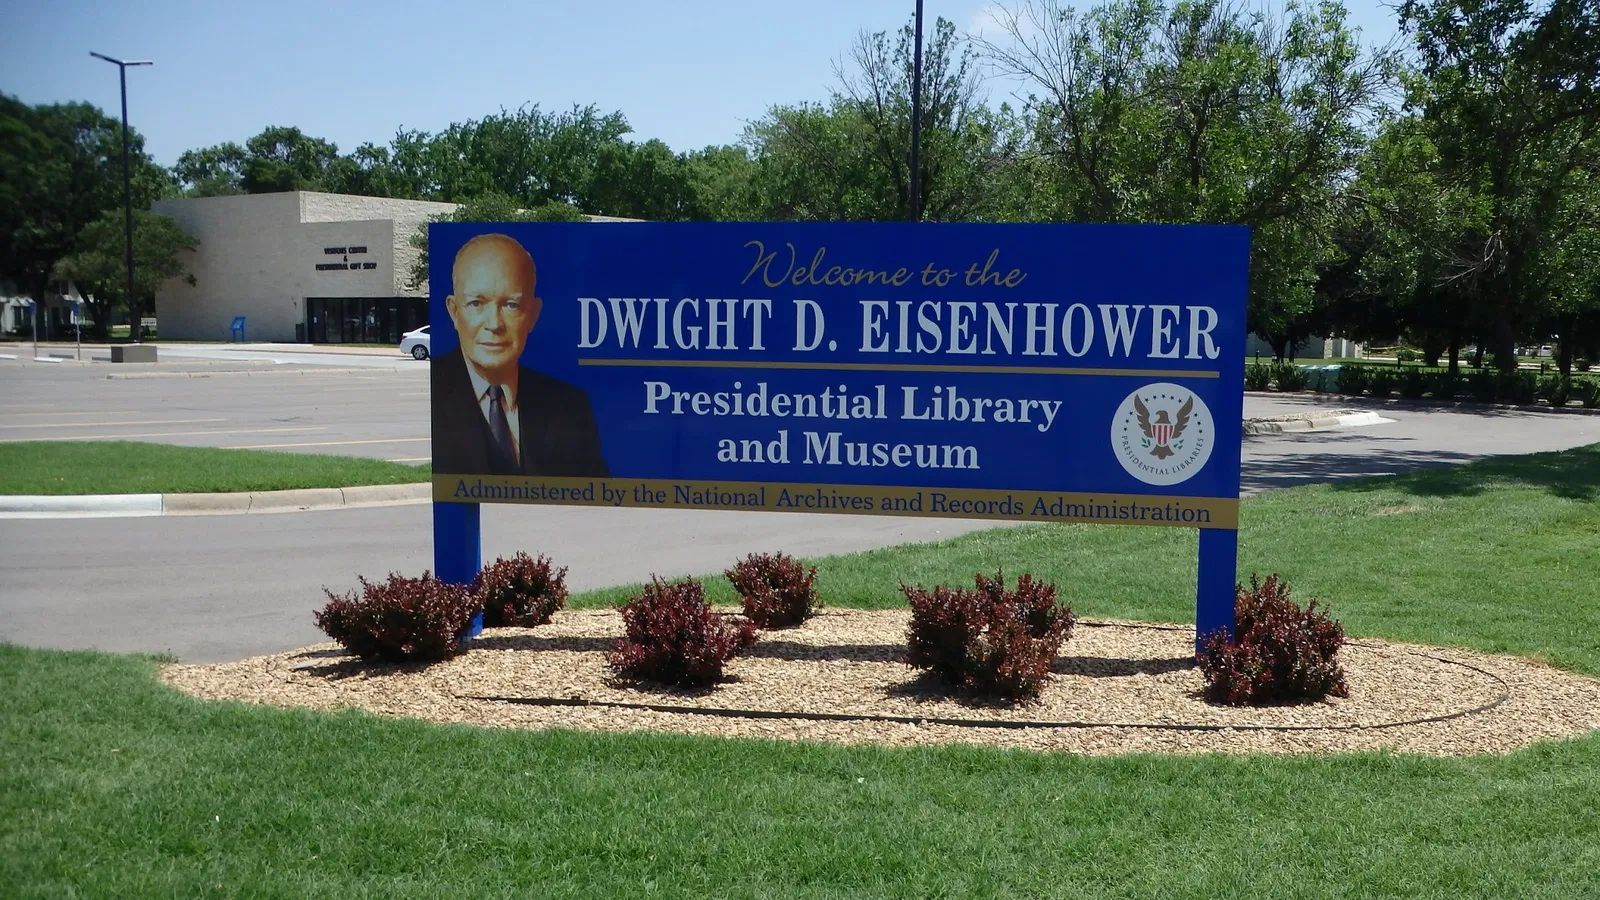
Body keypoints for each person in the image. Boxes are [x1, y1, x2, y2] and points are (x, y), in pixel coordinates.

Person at [431, 233, 610, 477]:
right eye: (476, 303)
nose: (494, 324)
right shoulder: (435, 390)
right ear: (454, 312)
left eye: (511, 305)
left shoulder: (569, 407)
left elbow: (596, 492)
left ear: (533, 315)